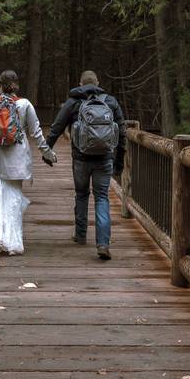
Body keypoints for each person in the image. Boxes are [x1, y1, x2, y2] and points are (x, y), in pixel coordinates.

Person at [0, 70, 57, 255]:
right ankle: (13, 242)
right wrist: (47, 153)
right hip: (16, 159)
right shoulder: (25, 105)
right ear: (16, 85)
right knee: (13, 200)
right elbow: (36, 133)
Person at [46, 70, 125, 260]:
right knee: (102, 198)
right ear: (97, 82)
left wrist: (47, 151)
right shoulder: (111, 102)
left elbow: (56, 126)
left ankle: (80, 235)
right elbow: (122, 133)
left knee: (81, 194)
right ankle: (103, 243)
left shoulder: (73, 102)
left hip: (80, 159)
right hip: (105, 159)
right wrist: (119, 160)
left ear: (80, 83)